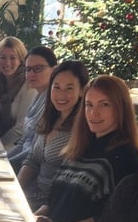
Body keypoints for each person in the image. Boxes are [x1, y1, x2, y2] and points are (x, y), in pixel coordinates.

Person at [35, 75, 138, 222]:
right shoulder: (82, 145)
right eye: (89, 104)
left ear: (120, 109)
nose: (94, 112)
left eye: (104, 105)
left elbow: (108, 221)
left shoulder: (124, 155)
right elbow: (55, 197)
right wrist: (34, 217)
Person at [17, 60, 88, 210]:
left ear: (82, 90)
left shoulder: (82, 130)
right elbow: (32, 161)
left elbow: (71, 185)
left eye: (69, 88)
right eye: (56, 87)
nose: (61, 94)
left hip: (49, 208)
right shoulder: (48, 118)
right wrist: (15, 190)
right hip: (28, 197)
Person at [7, 46, 58, 172]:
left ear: (55, 69)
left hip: (31, 172)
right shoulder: (38, 95)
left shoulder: (54, 103)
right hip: (20, 164)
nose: (31, 74)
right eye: (28, 69)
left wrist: (6, 167)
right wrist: (3, 161)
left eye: (38, 68)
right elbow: (23, 141)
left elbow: (34, 153)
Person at [0, 36, 37, 149]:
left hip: (18, 146)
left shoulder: (28, 87)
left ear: (21, 60)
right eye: (3, 57)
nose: (7, 62)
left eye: (12, 58)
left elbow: (21, 128)